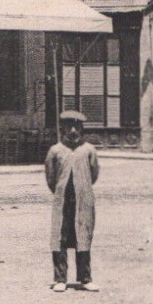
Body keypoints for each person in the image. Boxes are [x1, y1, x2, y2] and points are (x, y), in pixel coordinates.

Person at [45, 110, 101, 292]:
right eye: (69, 127)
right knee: (59, 238)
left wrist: (82, 188)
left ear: (82, 129)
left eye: (77, 126)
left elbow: (93, 174)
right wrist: (61, 191)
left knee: (82, 236)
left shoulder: (88, 150)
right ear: (63, 129)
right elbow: (51, 178)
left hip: (83, 200)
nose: (73, 130)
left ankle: (85, 278)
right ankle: (60, 278)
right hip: (62, 202)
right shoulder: (55, 151)